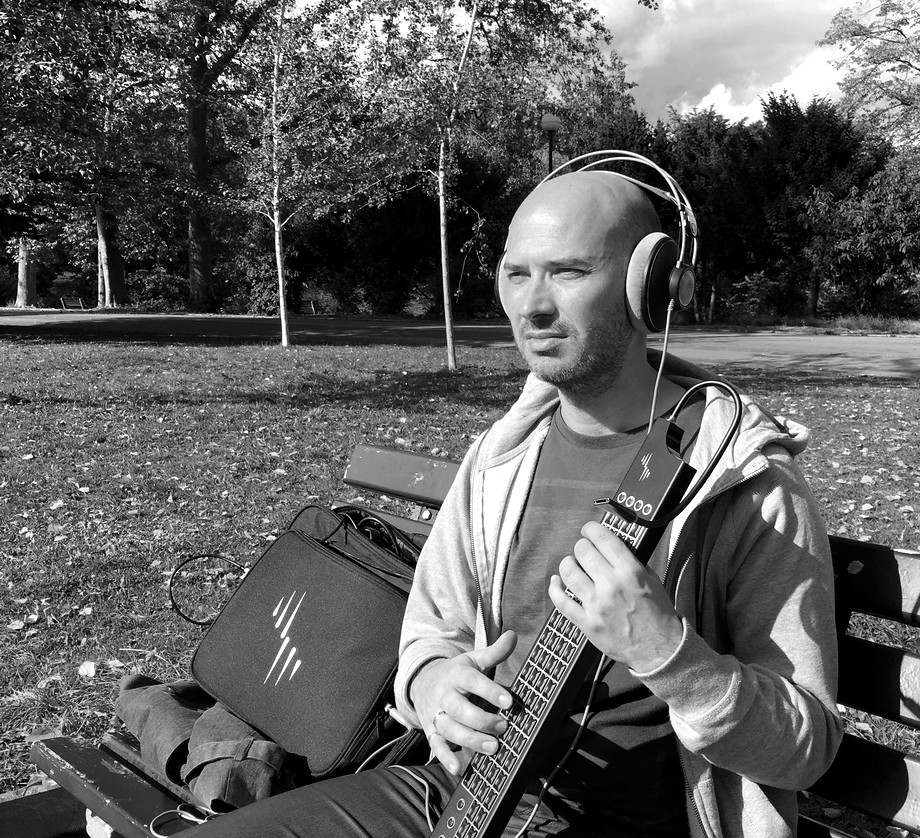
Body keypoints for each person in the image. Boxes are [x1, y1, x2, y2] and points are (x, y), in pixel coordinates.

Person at [189, 167, 842, 838]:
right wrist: (433, 685)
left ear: (653, 287)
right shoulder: (500, 459)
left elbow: (807, 746)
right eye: (516, 273)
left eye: (567, 272)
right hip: (452, 796)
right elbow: (429, 632)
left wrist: (668, 652)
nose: (531, 307)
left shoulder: (744, 485)